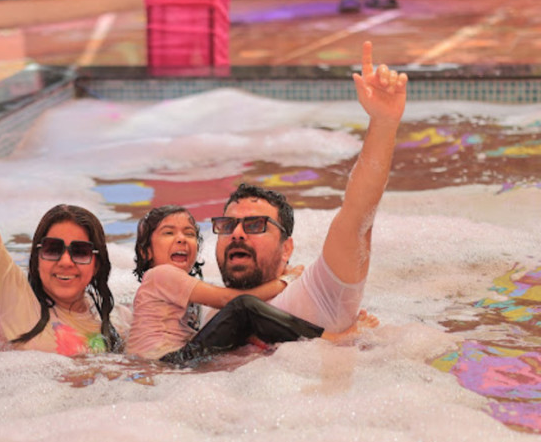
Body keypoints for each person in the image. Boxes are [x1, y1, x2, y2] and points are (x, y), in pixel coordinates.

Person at [213, 40, 407, 335]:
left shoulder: (316, 297)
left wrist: (383, 123)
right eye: (227, 225)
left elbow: (358, 218)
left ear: (286, 249)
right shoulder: (200, 308)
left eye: (254, 225)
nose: (237, 233)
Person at [0, 67, 129, 355]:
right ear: (37, 257)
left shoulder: (116, 321)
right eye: (52, 249)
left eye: (80, 251)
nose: (65, 261)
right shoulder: (12, 301)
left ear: (97, 263)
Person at [125, 205, 326, 365]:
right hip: (164, 361)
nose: (181, 240)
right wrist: (285, 281)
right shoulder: (162, 274)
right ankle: (326, 339)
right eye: (169, 233)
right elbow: (229, 300)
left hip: (168, 364)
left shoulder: (173, 286)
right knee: (243, 307)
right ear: (146, 252)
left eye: (189, 233)